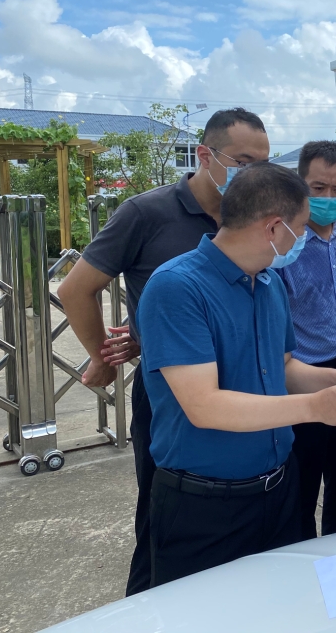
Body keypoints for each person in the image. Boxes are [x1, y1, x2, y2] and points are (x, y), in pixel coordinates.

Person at [136, 162, 336, 587]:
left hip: (277, 491)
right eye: (299, 229)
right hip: (206, 503)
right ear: (273, 228)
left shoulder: (267, 284)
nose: (302, 238)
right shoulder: (177, 288)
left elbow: (284, 368)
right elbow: (204, 405)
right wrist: (315, 408)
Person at [58, 107, 270, 595]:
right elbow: (75, 289)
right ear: (204, 155)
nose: (252, 174)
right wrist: (104, 357)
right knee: (164, 521)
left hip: (243, 388)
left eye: (262, 164)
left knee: (238, 526)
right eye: (242, 161)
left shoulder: (253, 218)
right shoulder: (146, 213)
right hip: (171, 395)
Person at [274, 141, 336, 538]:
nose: (329, 198)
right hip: (303, 378)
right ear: (300, 184)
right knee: (300, 486)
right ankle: (302, 560)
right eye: (318, 188)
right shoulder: (284, 243)